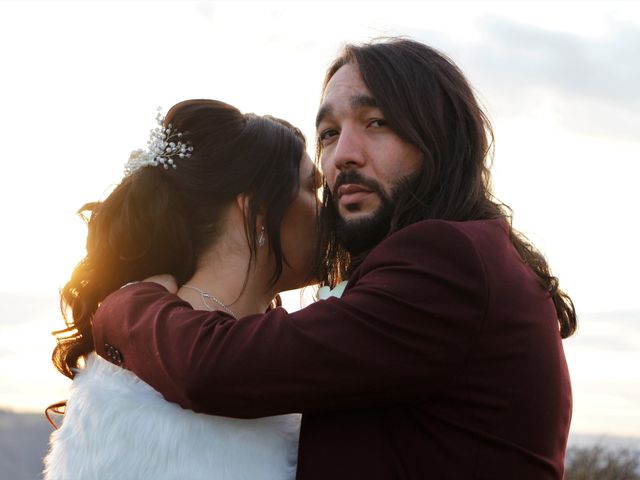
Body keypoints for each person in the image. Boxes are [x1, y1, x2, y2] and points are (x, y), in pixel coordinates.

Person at [91, 39, 576, 479]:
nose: (343, 154)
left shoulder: (446, 260)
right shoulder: (466, 256)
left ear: (440, 139)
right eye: (327, 133)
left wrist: (129, 302)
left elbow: (217, 370)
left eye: (376, 123)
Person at [44, 99, 323, 479]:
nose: (330, 209)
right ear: (256, 212)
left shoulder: (136, 356)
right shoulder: (138, 412)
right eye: (312, 187)